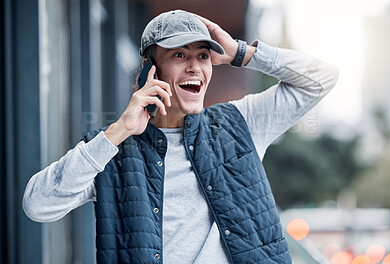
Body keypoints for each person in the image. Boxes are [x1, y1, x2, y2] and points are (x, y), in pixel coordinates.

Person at [23, 9, 339, 264]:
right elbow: (37, 204)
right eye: (179, 56)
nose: (194, 67)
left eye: (202, 56)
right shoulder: (114, 149)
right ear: (151, 70)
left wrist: (242, 52)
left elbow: (322, 79)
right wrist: (119, 130)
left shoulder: (242, 122)